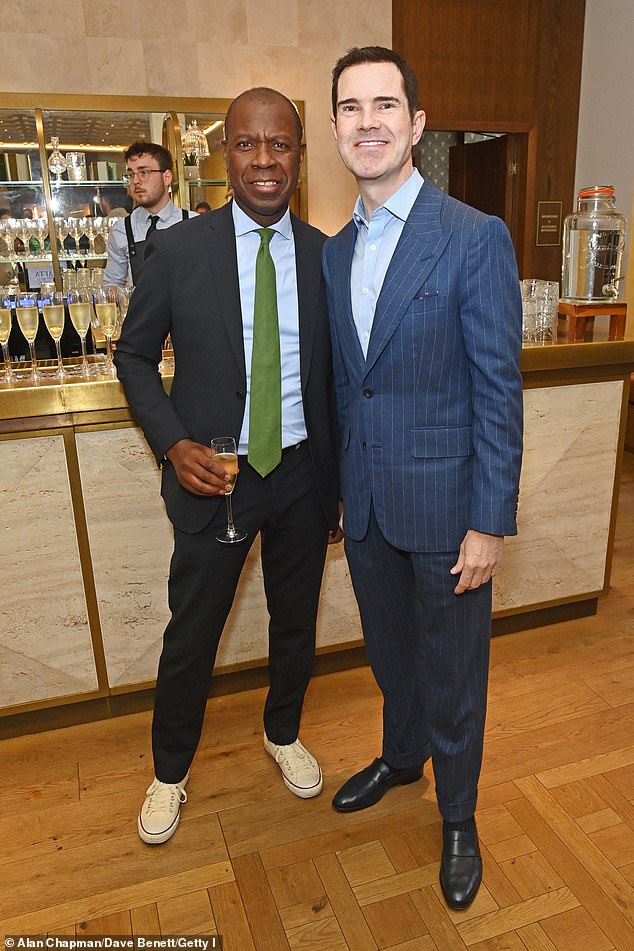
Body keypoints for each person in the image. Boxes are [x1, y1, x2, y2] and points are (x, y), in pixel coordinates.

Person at [324, 47, 523, 910]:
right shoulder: (335, 254)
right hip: (366, 508)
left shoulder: (473, 237)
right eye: (350, 107)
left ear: (415, 124)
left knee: (453, 673)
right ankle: (402, 756)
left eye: (384, 105)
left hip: (448, 512)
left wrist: (489, 519)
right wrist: (339, 495)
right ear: (336, 129)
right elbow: (347, 386)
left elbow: (497, 389)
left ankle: (457, 815)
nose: (368, 121)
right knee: (391, 657)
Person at [114, 87, 341, 846]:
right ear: (224, 155)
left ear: (299, 157)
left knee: (294, 623)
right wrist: (174, 442)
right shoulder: (178, 251)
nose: (265, 160)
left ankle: (283, 731)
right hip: (217, 478)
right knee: (193, 634)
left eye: (280, 144)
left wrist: (339, 487)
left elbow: (339, 378)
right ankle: (169, 772)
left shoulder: (324, 254)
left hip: (304, 475)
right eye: (248, 144)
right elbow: (134, 356)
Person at [103, 141, 196, 287]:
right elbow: (112, 284)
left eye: (144, 173)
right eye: (131, 174)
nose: (135, 181)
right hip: (141, 310)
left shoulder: (194, 224)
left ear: (167, 177)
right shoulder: (122, 229)